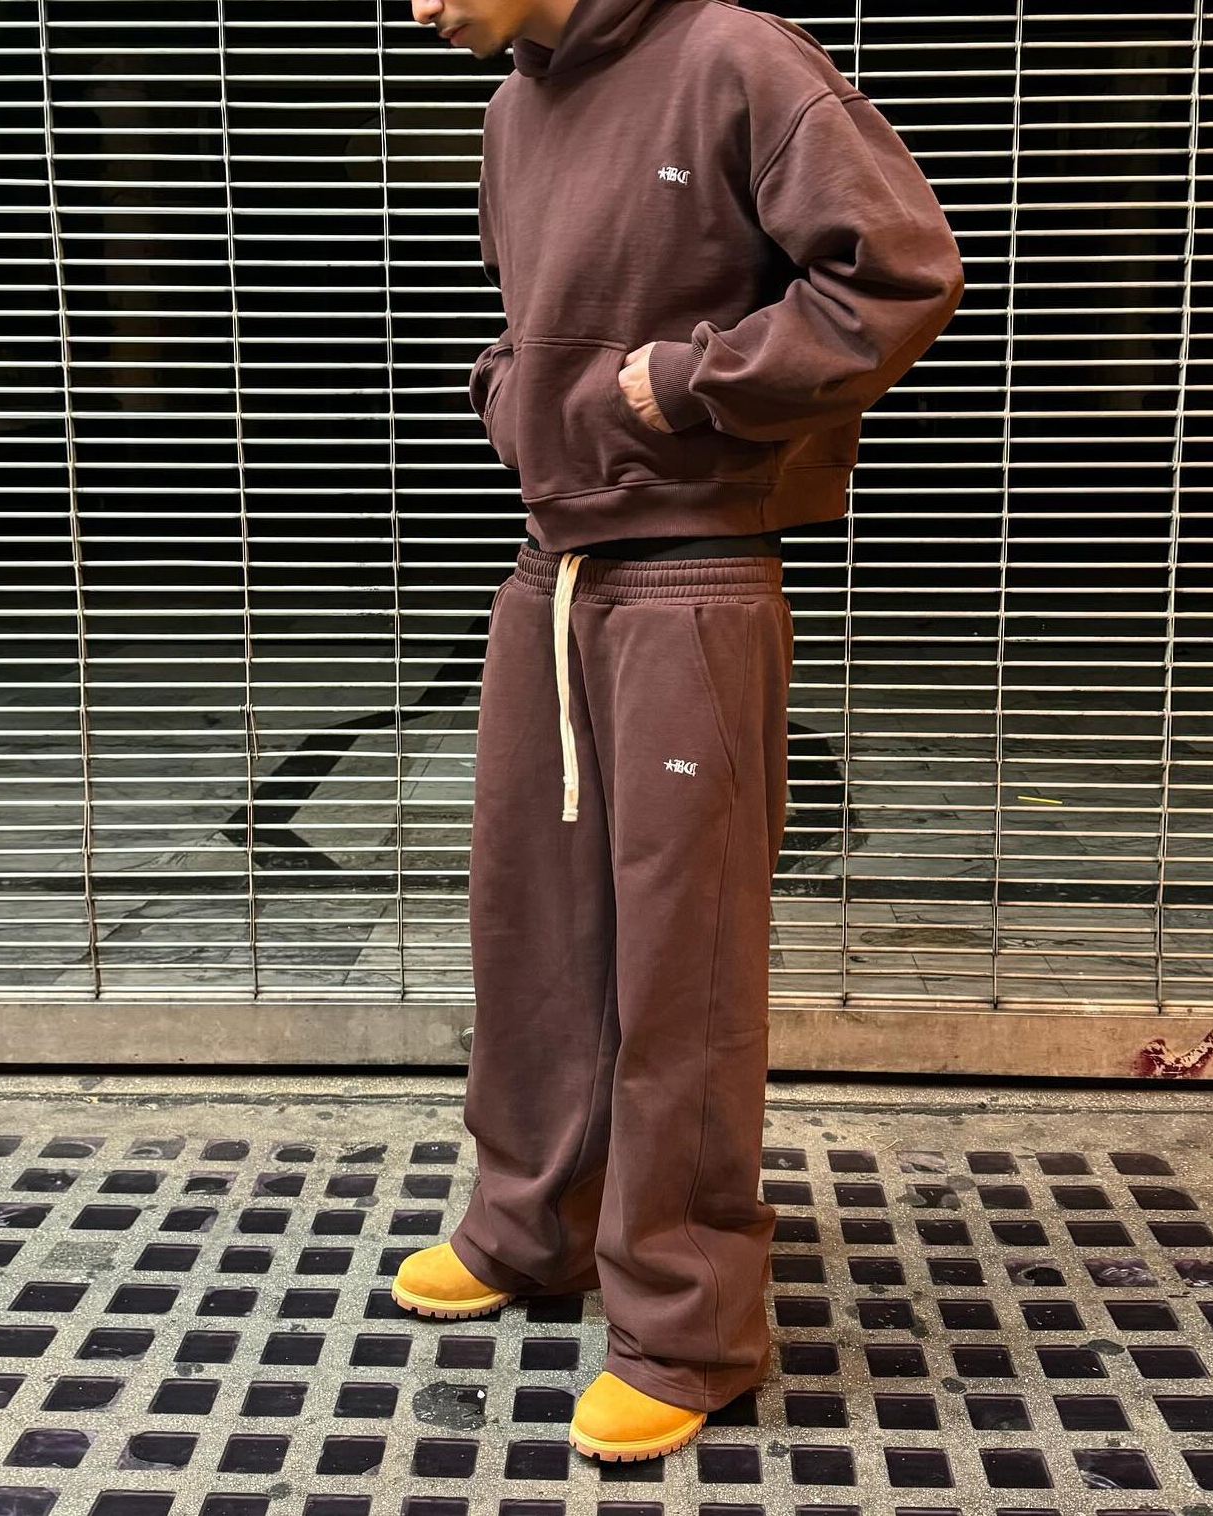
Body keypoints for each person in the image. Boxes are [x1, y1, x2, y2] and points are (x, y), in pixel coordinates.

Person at [396, 0, 964, 1463]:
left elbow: (897, 272)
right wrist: (515, 395)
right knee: (530, 925)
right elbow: (532, 316)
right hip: (551, 569)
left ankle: (690, 1326)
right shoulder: (514, 105)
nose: (416, 7)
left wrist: (689, 384)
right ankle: (534, 1226)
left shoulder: (735, 59)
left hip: (696, 577)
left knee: (681, 960)